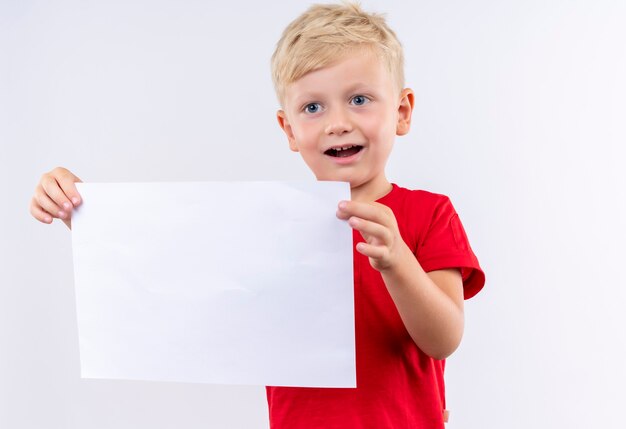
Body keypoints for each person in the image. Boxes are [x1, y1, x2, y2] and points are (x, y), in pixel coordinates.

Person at [30, 2, 485, 428]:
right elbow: (179, 270)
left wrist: (397, 261)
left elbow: (444, 339)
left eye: (360, 99)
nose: (337, 122)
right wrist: (85, 215)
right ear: (288, 129)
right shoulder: (273, 222)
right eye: (312, 107)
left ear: (402, 111)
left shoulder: (430, 213)